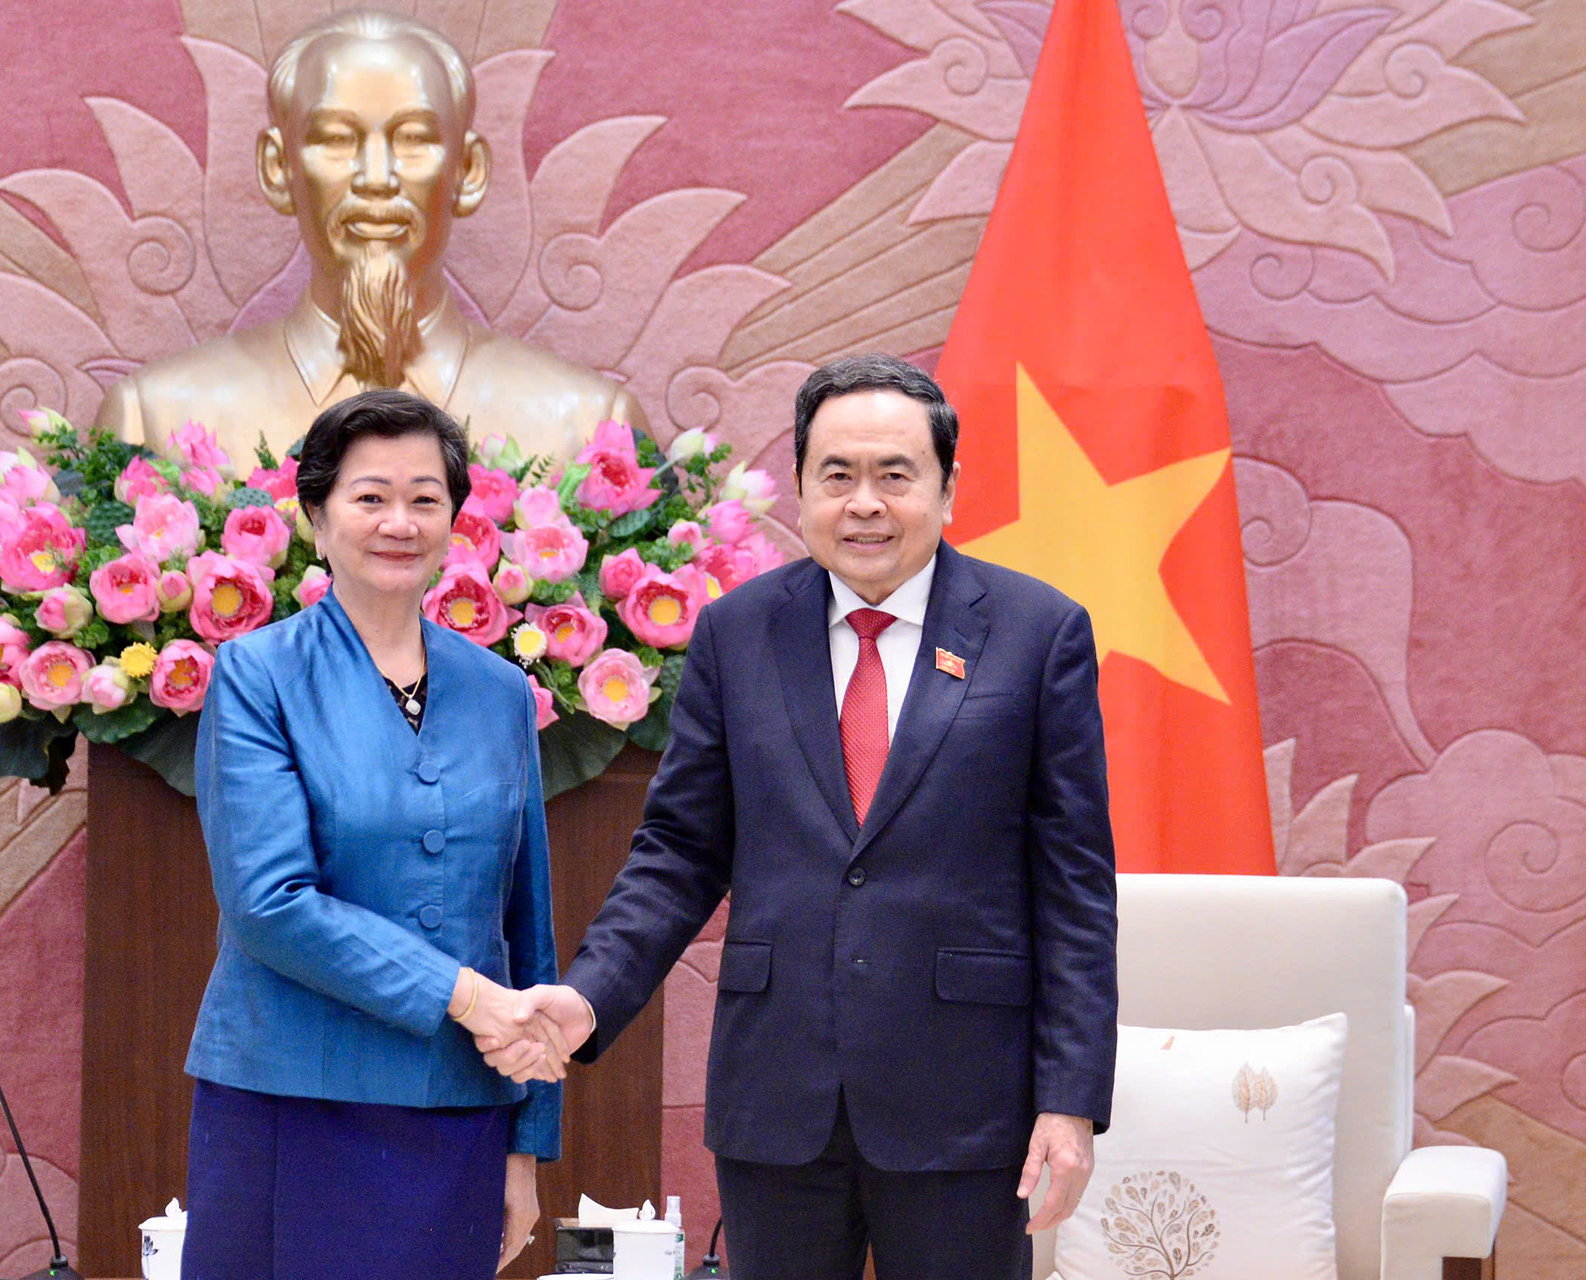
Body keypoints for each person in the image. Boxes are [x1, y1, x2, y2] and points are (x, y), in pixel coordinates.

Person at [486, 355, 1119, 1280]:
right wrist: (588, 996)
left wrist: (1069, 1100)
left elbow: (1074, 890)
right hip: (778, 1096)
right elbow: (678, 854)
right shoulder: (735, 633)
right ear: (801, 487)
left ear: (948, 488)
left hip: (965, 1102)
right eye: (837, 475)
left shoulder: (1037, 632)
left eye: (895, 475)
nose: (865, 503)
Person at [184, 388, 567, 1279]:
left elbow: (526, 921)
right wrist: (463, 996)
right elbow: (269, 904)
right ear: (316, 518)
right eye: (370, 497)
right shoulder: (256, 674)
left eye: (425, 499)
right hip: (290, 1099)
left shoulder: (500, 691)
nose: (400, 522)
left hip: (459, 1105)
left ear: (454, 521)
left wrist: (527, 1144)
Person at [95, 9, 647, 477]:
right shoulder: (154, 421)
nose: (377, 178)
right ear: (277, 168)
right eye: (337, 139)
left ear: (468, 170)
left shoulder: (590, 428)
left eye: (414, 139)